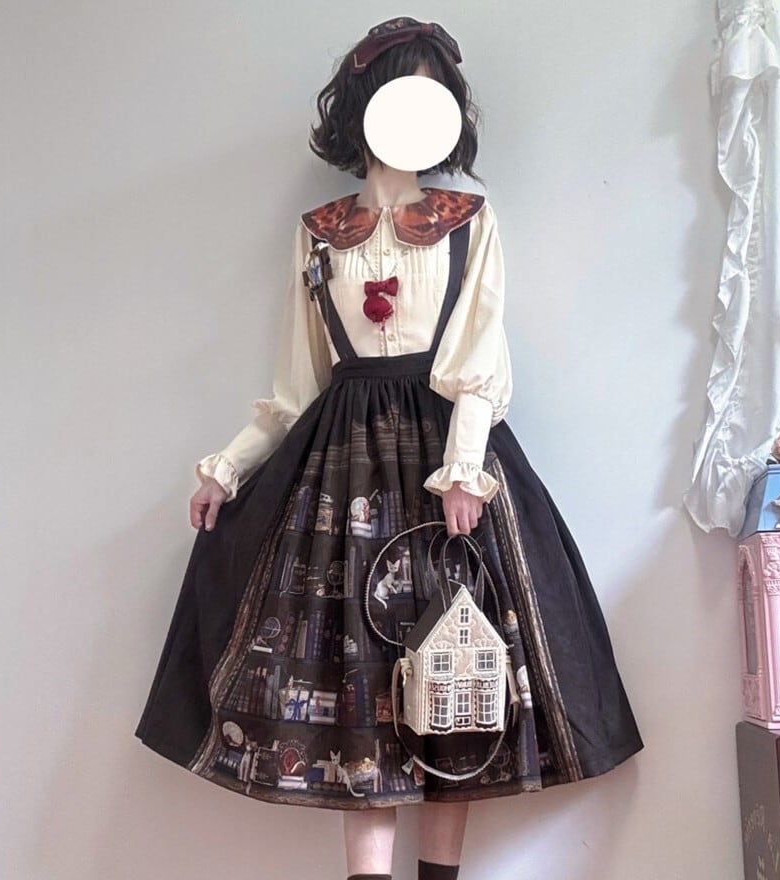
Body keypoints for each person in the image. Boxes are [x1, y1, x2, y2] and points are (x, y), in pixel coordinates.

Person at [134, 17, 643, 880]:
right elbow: (296, 384)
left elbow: (478, 355)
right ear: (365, 105)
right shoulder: (319, 230)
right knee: (358, 688)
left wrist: (465, 468)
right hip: (340, 472)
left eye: (432, 95)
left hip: (448, 463)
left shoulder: (468, 221)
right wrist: (228, 467)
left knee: (458, 673)